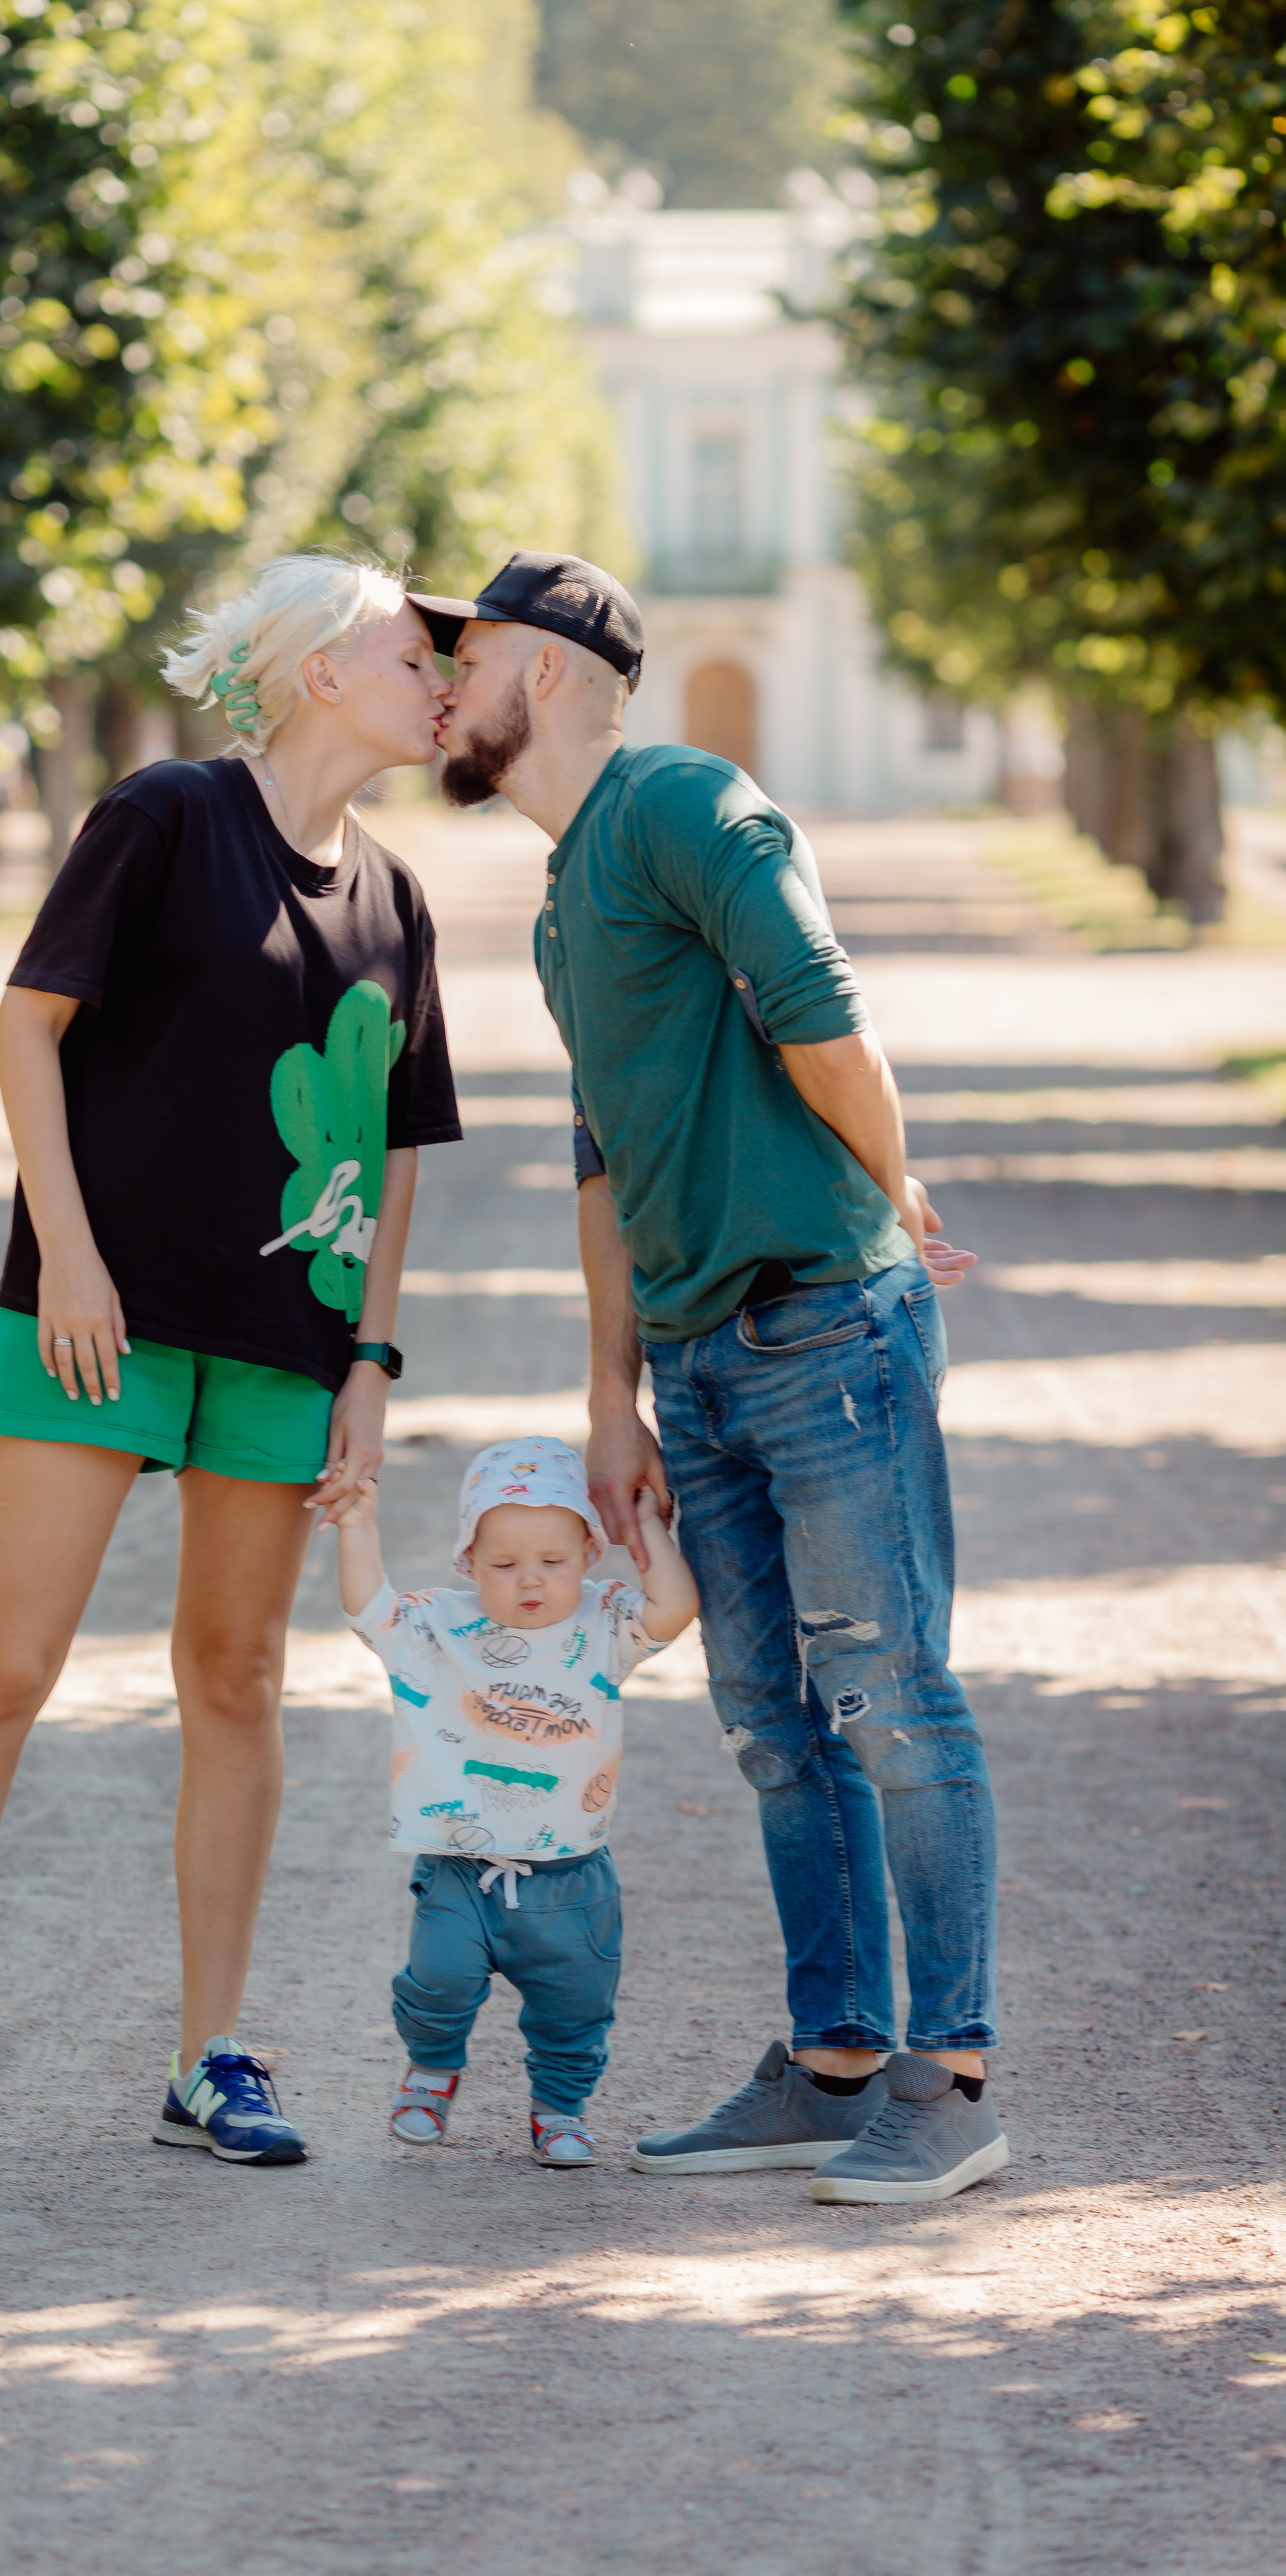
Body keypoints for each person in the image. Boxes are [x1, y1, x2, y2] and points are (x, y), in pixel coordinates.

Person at [0, 556, 462, 2170]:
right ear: (319, 669)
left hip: (286, 1338)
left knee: (237, 1677)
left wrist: (371, 1357)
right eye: (413, 654)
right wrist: (69, 1255)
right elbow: (24, 1025)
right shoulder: (166, 815)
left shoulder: (398, 901)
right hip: (91, 1315)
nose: (441, 682)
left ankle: (210, 2056)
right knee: (11, 1664)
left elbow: (392, 1148)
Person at [413, 552, 1008, 2206]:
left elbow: (823, 1015)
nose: (441, 684)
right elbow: (602, 1162)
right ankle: (832, 2060)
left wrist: (885, 1192)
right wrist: (610, 1398)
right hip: (695, 1366)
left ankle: (950, 2080)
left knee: (890, 1698)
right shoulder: (558, 907)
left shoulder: (685, 803)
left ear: (543, 666)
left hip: (822, 1327)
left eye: (464, 653)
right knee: (768, 1724)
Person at [331, 1437, 697, 2165]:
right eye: (503, 1565)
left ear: (589, 1554)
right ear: (468, 1561)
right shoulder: (440, 1627)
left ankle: (559, 2109)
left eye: (553, 1561)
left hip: (571, 1877)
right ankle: (431, 2071)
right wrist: (356, 1525)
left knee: (576, 2006)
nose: (530, 1580)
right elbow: (369, 1609)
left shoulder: (603, 1624)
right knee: (437, 1981)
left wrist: (645, 1524)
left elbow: (675, 1608)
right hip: (459, 1865)